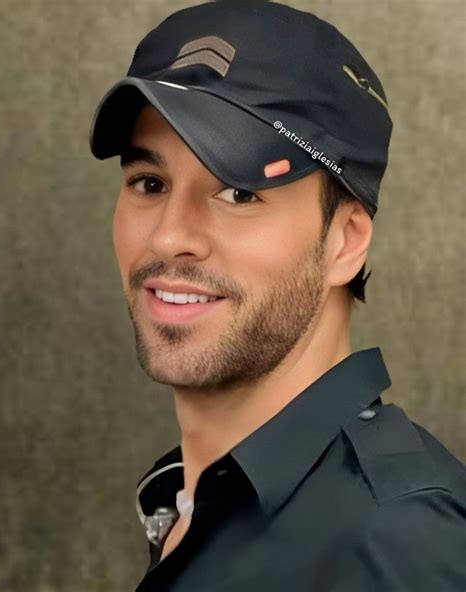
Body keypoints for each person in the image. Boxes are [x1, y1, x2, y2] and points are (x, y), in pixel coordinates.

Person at [89, 1, 466, 590]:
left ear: (345, 242)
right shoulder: (190, 498)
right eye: (149, 183)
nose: (168, 235)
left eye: (239, 193)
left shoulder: (400, 541)